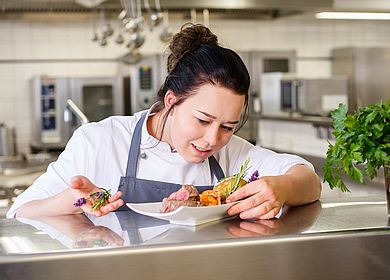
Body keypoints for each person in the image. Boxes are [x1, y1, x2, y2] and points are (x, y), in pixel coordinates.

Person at [7, 23, 321, 220]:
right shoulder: (99, 141)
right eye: (202, 120)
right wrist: (73, 200)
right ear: (171, 101)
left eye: (228, 126)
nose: (212, 139)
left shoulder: (234, 154)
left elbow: (309, 180)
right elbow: (21, 211)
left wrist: (281, 187)